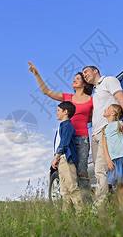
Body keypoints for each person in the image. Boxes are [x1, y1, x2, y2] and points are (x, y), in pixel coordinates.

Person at [28, 61, 93, 192]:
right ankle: (71, 205)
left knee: (82, 173)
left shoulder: (92, 100)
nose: (74, 80)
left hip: (81, 139)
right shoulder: (67, 97)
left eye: (78, 78)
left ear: (85, 84)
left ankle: (86, 207)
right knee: (68, 172)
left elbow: (92, 118)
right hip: (67, 140)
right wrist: (36, 74)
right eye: (74, 78)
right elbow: (46, 91)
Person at [82, 65, 123, 204]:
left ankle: (99, 207)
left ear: (95, 71)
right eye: (83, 73)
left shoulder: (108, 80)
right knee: (102, 172)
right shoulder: (96, 92)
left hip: (106, 131)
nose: (84, 75)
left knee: (100, 171)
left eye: (86, 71)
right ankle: (109, 204)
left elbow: (121, 99)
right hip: (95, 133)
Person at [52, 101, 82, 211]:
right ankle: (67, 216)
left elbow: (64, 143)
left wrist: (56, 157)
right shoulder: (62, 126)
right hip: (62, 160)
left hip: (67, 160)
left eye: (58, 110)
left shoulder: (68, 126)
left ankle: (81, 214)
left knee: (72, 188)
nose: (56, 113)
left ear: (65, 112)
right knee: (64, 191)